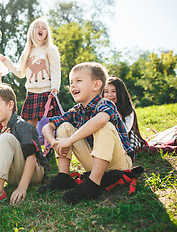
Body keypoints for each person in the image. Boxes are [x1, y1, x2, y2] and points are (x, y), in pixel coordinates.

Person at [41, 62, 134, 205]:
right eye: (71, 82)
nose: (72, 85)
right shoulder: (76, 110)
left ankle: (93, 184)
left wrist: (70, 141)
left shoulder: (105, 103)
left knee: (104, 125)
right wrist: (54, 143)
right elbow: (47, 126)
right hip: (96, 162)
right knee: (64, 126)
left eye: (78, 81)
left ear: (96, 85)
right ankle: (63, 176)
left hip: (119, 163)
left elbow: (102, 118)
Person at [0, 84, 50, 207]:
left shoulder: (23, 125)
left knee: (6, 137)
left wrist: (22, 187)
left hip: (35, 173)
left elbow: (31, 158)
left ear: (10, 105)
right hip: (14, 173)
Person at [0, 17, 62, 127]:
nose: (41, 29)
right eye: (38, 27)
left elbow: (55, 70)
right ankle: (33, 144)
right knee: (30, 126)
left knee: (49, 125)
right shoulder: (27, 52)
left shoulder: (50, 49)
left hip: (47, 92)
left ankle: (51, 144)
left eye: (44, 28)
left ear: (47, 33)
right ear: (31, 31)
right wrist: (7, 62)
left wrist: (55, 88)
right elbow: (20, 73)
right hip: (32, 93)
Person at [103, 76, 146, 150]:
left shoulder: (128, 110)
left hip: (126, 140)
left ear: (120, 93)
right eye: (106, 91)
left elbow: (126, 131)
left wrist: (117, 114)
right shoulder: (101, 109)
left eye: (114, 91)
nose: (109, 95)